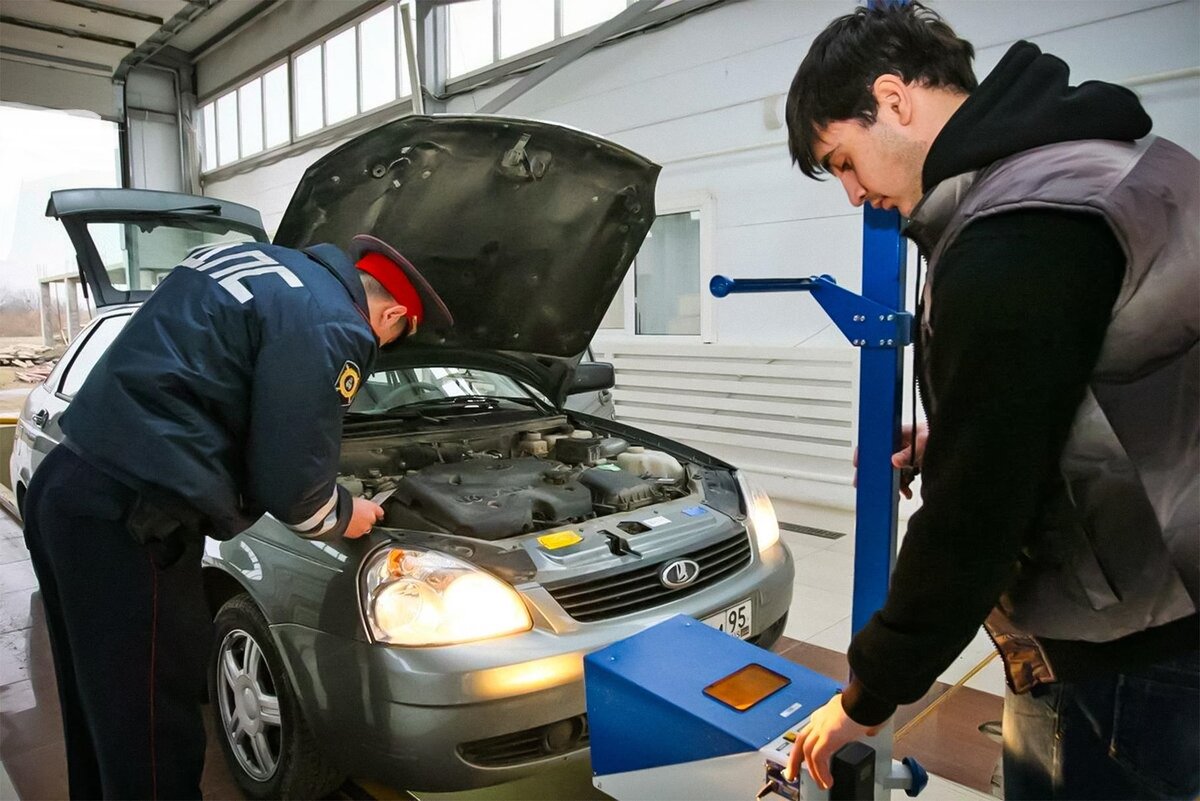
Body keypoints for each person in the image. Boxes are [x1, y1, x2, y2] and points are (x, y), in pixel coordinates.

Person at [781, 4, 1198, 799]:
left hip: (1126, 658)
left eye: (842, 160)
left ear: (894, 100)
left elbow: (974, 521)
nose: (852, 192)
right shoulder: (1108, 163)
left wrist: (863, 698)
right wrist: (967, 428)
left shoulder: (1018, 227)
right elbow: (1145, 377)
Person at [22, 233, 453, 799]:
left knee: (99, 704)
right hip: (132, 517)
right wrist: (348, 511)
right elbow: (295, 491)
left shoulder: (265, 268)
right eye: (392, 339)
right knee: (153, 724)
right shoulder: (333, 322)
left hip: (68, 486)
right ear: (392, 313)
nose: (381, 347)